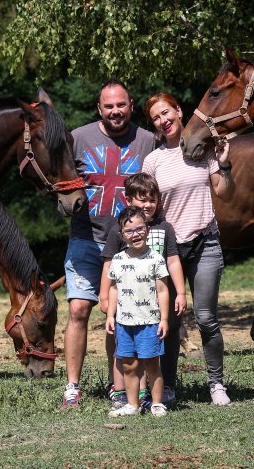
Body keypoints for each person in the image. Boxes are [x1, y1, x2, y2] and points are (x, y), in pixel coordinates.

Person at [60, 79, 156, 410]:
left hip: (129, 245)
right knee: (78, 308)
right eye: (109, 106)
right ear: (99, 109)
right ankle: (72, 386)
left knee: (124, 314)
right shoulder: (78, 138)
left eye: (122, 105)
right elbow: (59, 177)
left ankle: (120, 388)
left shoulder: (148, 141)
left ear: (131, 105)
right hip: (86, 237)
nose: (116, 111)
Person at [142, 92, 235, 405]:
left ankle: (216, 385)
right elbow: (146, 205)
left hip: (205, 241)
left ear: (179, 111)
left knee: (207, 318)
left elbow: (224, 192)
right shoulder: (153, 161)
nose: (163, 121)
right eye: (156, 117)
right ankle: (167, 386)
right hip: (169, 250)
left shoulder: (203, 151)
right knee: (170, 321)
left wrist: (225, 165)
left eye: (166, 113)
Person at [99, 173, 187, 410]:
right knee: (127, 358)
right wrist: (104, 296)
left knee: (150, 358)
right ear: (129, 201)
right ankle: (128, 398)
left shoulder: (164, 228)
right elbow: (110, 268)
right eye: (141, 200)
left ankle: (156, 398)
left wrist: (180, 292)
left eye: (152, 200)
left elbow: (173, 261)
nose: (147, 205)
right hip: (127, 311)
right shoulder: (120, 229)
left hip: (153, 310)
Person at [104, 206, 171, 417]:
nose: (136, 234)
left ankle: (157, 403)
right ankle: (132, 405)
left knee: (152, 365)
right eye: (129, 231)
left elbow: (162, 290)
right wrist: (110, 315)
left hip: (150, 321)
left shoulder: (156, 259)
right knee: (129, 365)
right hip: (124, 324)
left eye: (140, 228)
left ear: (147, 229)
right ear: (121, 235)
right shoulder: (118, 260)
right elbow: (113, 288)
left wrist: (165, 319)